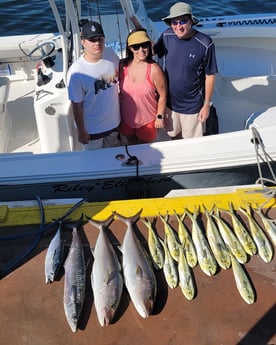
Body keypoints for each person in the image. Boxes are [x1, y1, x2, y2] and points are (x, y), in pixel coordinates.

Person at [154, 2, 218, 139]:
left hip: (193, 107)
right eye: (174, 22)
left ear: (190, 21)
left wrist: (206, 105)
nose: (178, 26)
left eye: (183, 21)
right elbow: (152, 52)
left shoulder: (205, 43)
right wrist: (138, 30)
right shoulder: (166, 36)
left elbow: (210, 76)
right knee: (173, 135)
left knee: (191, 144)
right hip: (170, 104)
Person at [67, 21, 121, 150]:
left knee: (113, 157)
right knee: (95, 163)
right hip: (92, 131)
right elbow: (76, 105)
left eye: (100, 39)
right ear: (83, 42)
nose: (97, 43)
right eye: (92, 40)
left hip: (114, 124)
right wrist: (81, 131)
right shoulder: (76, 72)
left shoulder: (111, 54)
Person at [119, 29, 167, 145]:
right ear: (130, 48)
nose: (141, 50)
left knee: (146, 152)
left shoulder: (154, 69)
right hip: (126, 120)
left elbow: (163, 95)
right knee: (129, 147)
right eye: (136, 47)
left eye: (144, 45)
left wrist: (159, 116)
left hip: (148, 122)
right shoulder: (121, 66)